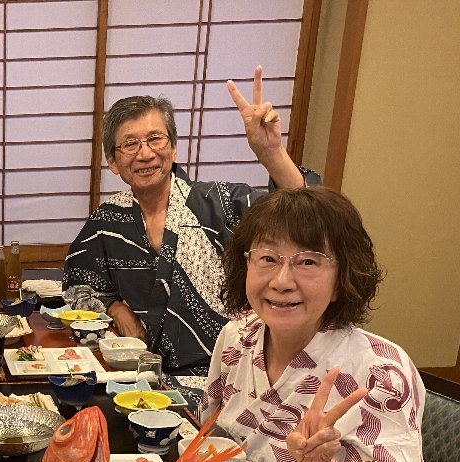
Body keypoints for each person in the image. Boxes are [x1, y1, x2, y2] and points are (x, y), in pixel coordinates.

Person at [199, 186, 427, 462]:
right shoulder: (237, 336)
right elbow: (207, 434)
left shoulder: (381, 374)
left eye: (307, 262)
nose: (281, 282)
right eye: (268, 258)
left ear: (342, 279)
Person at [64, 67, 319, 377]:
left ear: (173, 148)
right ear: (113, 162)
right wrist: (115, 308)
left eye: (155, 139)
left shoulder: (221, 202)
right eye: (130, 144)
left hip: (232, 377)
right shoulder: (108, 219)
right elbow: (79, 282)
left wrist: (271, 153)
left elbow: (307, 215)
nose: (145, 154)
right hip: (140, 379)